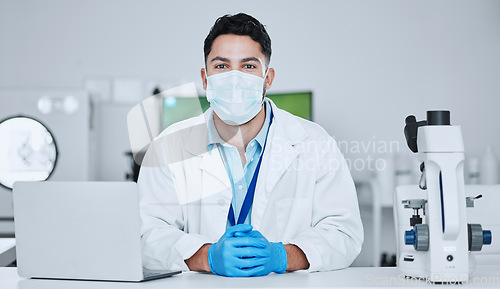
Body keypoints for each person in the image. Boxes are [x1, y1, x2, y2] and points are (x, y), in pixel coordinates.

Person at [138, 13, 363, 277]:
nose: (234, 79)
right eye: (221, 66)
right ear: (205, 77)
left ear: (268, 78)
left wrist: (282, 255)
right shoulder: (168, 147)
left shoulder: (315, 143)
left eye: (248, 66)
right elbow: (146, 234)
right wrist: (206, 256)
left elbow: (343, 233)